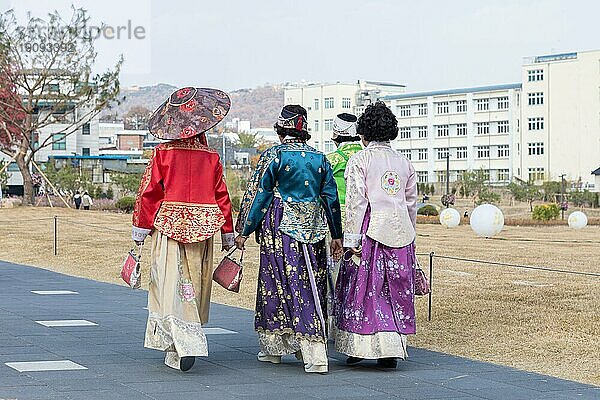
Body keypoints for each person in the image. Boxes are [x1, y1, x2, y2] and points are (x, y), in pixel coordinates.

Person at [131, 87, 234, 372]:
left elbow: (149, 193)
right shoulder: (211, 157)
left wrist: (140, 229)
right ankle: (188, 336)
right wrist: (228, 232)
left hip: (169, 225)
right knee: (195, 282)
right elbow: (221, 195)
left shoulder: (163, 153)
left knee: (169, 282)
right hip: (204, 226)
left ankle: (178, 342)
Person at [234, 105, 343, 374]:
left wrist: (244, 230)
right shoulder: (320, 158)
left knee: (277, 282)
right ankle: (306, 349)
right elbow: (331, 199)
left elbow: (259, 195)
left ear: (281, 129)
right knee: (311, 283)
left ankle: (284, 349)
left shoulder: (274, 155)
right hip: (314, 229)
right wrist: (337, 235)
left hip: (279, 227)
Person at [334, 101, 417, 369]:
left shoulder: (361, 159)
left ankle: (361, 347)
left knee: (366, 289)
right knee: (395, 289)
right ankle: (391, 350)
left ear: (363, 132)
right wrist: (411, 234)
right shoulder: (404, 163)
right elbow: (411, 204)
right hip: (402, 233)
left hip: (371, 231)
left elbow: (356, 202)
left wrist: (351, 241)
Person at [325, 113, 361, 331]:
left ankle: (333, 324)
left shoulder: (331, 160)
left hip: (336, 223)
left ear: (336, 134)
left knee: (334, 272)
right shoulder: (367, 157)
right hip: (364, 223)